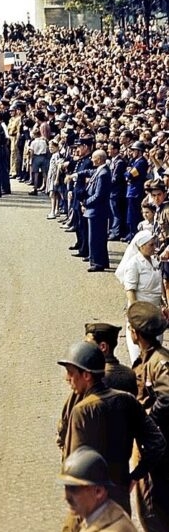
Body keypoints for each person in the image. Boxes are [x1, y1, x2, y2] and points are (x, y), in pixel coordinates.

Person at [56, 340, 165, 528]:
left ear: (87, 375)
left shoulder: (81, 411)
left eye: (71, 373)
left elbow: (72, 465)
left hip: (89, 509)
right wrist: (134, 476)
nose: (67, 379)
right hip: (120, 502)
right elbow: (157, 443)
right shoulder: (128, 401)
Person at [127, 301, 169, 532]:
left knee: (152, 512)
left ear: (135, 333)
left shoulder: (159, 362)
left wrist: (148, 422)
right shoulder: (148, 358)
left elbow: (167, 397)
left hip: (157, 447)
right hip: (153, 444)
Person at [58, 446, 140, 532]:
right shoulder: (98, 518)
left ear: (98, 492)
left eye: (74, 489)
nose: (66, 497)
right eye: (66, 487)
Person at [115, 229, 166, 364]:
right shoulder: (134, 264)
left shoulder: (154, 262)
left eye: (154, 244)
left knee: (155, 353)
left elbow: (158, 285)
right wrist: (135, 313)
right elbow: (130, 289)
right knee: (140, 356)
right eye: (151, 245)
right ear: (141, 246)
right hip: (142, 312)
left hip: (155, 313)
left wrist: (163, 302)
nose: (154, 248)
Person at [84, 322, 137, 395]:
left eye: (88, 344)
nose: (84, 348)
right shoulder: (130, 374)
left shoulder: (93, 377)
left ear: (103, 347)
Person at [83, 149, 112, 272]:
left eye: (93, 158)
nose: (91, 160)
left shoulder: (103, 173)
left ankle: (97, 262)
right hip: (95, 210)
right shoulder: (100, 171)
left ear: (99, 159)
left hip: (97, 210)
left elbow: (99, 195)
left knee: (95, 238)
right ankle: (101, 261)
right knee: (98, 237)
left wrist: (86, 202)